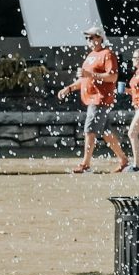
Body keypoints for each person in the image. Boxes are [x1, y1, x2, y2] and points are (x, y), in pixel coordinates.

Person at [55, 25, 129, 174]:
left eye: (91, 37)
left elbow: (113, 77)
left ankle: (86, 164)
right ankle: (123, 160)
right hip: (93, 99)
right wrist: (69, 88)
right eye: (87, 38)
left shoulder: (107, 54)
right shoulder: (90, 56)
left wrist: (90, 75)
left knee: (89, 130)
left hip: (100, 99)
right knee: (106, 132)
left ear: (100, 37)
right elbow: (84, 79)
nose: (88, 40)